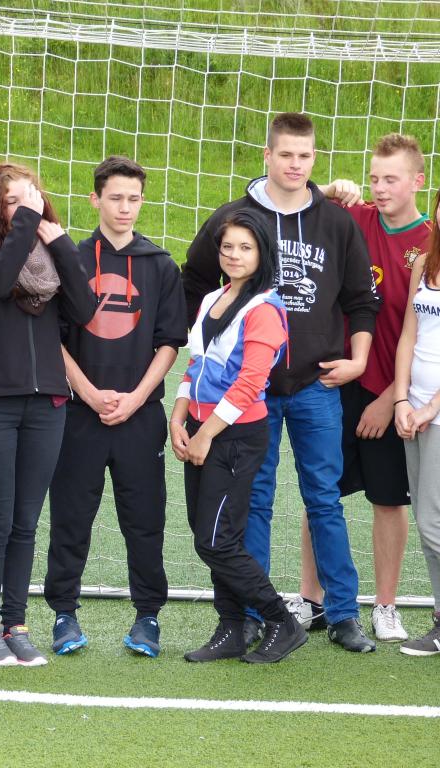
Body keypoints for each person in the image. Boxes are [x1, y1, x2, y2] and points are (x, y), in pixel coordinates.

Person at [182, 112, 380, 653]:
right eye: (286, 154)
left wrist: (359, 360)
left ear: (315, 158)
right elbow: (195, 284)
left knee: (324, 500)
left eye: (305, 155)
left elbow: (362, 301)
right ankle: (253, 616)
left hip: (317, 385)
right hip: (251, 395)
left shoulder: (336, 222)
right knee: (253, 501)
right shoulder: (234, 219)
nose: (295, 164)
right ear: (267, 155)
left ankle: (343, 614)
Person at [44, 156, 187, 659]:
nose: (125, 207)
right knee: (71, 517)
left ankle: (148, 616)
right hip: (80, 415)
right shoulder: (71, 260)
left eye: (134, 198)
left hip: (139, 415)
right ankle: (64, 613)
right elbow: (54, 339)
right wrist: (87, 392)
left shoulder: (161, 265)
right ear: (95, 200)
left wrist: (137, 397)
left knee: (144, 519)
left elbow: (169, 342)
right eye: (115, 198)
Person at [289, 134, 431, 643]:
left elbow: (424, 338)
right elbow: (292, 204)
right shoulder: (352, 217)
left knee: (388, 500)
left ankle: (385, 605)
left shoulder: (430, 245)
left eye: (391, 179)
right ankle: (311, 600)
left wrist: (388, 398)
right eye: (374, 178)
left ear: (417, 181)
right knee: (320, 492)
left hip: (393, 391)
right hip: (335, 379)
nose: (380, 188)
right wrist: (330, 188)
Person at [0, 162, 96, 667]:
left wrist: (61, 245)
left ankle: (16, 624)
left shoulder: (54, 257)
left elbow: (85, 310)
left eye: (30, 198)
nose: (25, 208)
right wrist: (26, 225)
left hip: (48, 405)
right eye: (13, 201)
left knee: (26, 522)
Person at [171, 211, 306, 663]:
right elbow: (195, 365)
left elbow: (250, 382)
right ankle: (230, 629)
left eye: (245, 247)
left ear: (262, 253)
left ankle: (281, 622)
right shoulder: (213, 297)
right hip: (200, 428)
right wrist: (178, 418)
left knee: (216, 540)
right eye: (227, 246)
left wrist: (206, 434)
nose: (234, 255)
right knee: (208, 534)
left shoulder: (264, 308)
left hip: (235, 435)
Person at [393, 187, 440, 657]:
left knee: (431, 522)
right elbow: (409, 334)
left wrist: (431, 408)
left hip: (436, 415)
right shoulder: (423, 263)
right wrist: (402, 400)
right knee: (430, 525)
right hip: (415, 409)